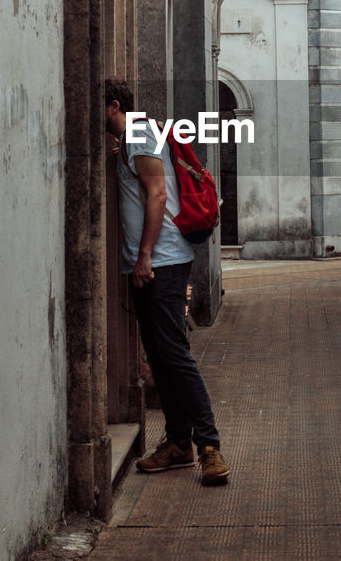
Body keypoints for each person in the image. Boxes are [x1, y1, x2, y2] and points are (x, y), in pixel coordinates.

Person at [104, 78, 230, 486]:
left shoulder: (138, 134)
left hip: (162, 262)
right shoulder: (136, 137)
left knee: (174, 354)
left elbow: (157, 195)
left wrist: (144, 256)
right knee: (159, 356)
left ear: (113, 106)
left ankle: (209, 446)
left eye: (97, 109)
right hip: (153, 262)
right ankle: (178, 444)